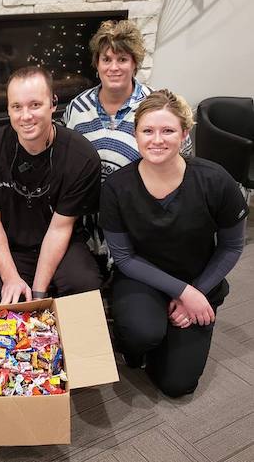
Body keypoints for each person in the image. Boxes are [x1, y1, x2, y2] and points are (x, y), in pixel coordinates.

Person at [99, 90, 248, 397]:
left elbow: (232, 246)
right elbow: (125, 258)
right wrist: (184, 293)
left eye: (168, 130)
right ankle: (148, 335)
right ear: (135, 134)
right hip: (142, 278)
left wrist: (197, 291)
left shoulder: (215, 180)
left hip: (199, 278)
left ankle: (168, 336)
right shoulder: (116, 187)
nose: (157, 140)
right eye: (148, 131)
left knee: (178, 385)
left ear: (184, 133)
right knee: (142, 334)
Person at [0, 66, 102, 305]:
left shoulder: (81, 156)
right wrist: (10, 278)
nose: (26, 116)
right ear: (8, 109)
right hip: (12, 247)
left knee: (84, 288)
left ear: (53, 103)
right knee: (3, 304)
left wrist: (38, 296)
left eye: (35, 105)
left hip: (63, 242)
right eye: (16, 107)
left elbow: (60, 228)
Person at [62, 20, 192, 267]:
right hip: (86, 223)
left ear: (134, 64)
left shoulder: (156, 106)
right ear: (96, 64)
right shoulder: (76, 109)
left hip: (142, 220)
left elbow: (184, 163)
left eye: (122, 59)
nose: (114, 67)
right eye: (106, 59)